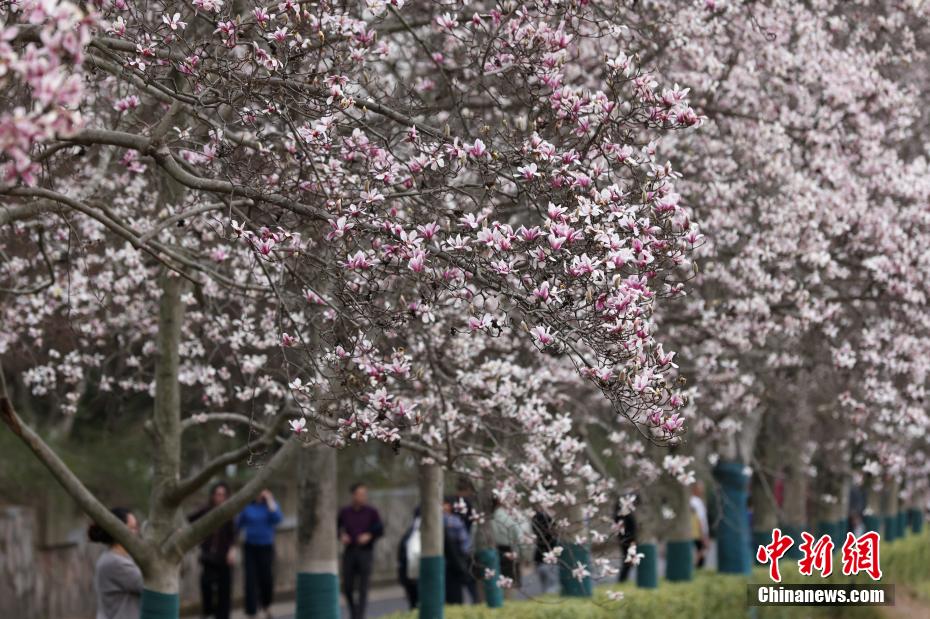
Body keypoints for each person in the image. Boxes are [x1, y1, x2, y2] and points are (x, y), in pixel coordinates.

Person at [189, 481, 237, 619]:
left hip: (224, 558)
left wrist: (232, 550)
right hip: (208, 557)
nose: (220, 497)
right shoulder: (205, 511)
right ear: (213, 495)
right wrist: (196, 538)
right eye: (217, 494)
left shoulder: (230, 513)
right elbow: (188, 521)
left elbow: (234, 535)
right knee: (206, 587)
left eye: (223, 495)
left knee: (224, 591)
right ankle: (208, 613)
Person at [338, 482, 384, 619]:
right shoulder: (344, 512)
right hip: (350, 551)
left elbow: (379, 529)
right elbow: (336, 528)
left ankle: (360, 615)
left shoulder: (372, 512)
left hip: (365, 552)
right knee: (347, 586)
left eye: (364, 494)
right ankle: (354, 612)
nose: (363, 497)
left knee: (363, 587)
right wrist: (341, 535)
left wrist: (369, 535)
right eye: (360, 494)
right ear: (353, 495)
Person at [89, 507, 143, 619]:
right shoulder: (115, 563)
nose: (137, 532)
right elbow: (150, 584)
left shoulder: (123, 558)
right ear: (118, 530)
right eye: (132, 528)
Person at [236, 489, 282, 619]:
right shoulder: (247, 507)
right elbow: (238, 524)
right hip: (250, 547)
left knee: (266, 578)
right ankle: (251, 611)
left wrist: (270, 500)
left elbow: (278, 518)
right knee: (250, 579)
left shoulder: (270, 506)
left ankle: (266, 605)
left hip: (266, 547)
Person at [491, 500, 530, 597]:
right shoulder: (511, 518)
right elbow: (520, 538)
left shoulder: (491, 517)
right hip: (510, 551)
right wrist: (525, 555)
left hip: (494, 550)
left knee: (495, 581)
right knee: (510, 584)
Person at [442, 496, 472, 605]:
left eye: (445, 504)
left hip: (453, 557)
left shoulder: (452, 520)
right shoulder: (450, 520)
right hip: (452, 558)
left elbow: (463, 539)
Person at [397, 507, 421, 610]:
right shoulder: (414, 533)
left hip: (410, 576)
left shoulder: (410, 533)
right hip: (415, 576)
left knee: (414, 605)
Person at [531, 510, 559, 594]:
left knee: (545, 586)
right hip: (550, 563)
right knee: (552, 587)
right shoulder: (553, 537)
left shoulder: (538, 535)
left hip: (540, 562)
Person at [615, 498, 636, 583]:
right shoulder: (624, 516)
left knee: (628, 561)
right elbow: (630, 529)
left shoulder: (621, 515)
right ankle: (622, 580)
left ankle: (623, 579)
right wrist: (632, 542)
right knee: (628, 561)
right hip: (627, 540)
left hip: (625, 540)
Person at [690, 481, 710, 569]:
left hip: (698, 532)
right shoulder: (695, 502)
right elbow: (698, 519)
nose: (702, 490)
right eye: (700, 488)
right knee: (701, 550)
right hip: (698, 532)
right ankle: (695, 566)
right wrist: (703, 535)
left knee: (701, 551)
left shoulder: (697, 501)